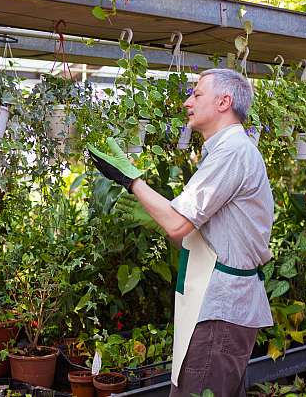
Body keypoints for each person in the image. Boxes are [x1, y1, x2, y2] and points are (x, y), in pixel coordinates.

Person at [88, 69, 274, 396]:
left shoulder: (232, 152)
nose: (188, 102)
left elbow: (177, 223)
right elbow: (182, 233)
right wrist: (151, 209)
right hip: (219, 303)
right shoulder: (224, 151)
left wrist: (131, 180)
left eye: (197, 94)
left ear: (223, 101)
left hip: (221, 307)